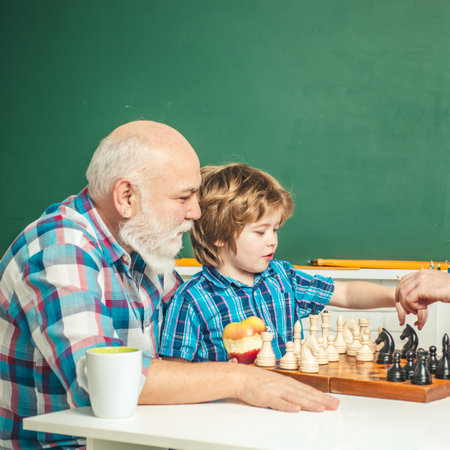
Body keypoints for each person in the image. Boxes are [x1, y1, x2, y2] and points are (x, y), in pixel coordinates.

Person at [0, 121, 339, 450]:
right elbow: (105, 382)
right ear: (127, 197)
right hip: (65, 444)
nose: (195, 212)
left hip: (130, 436)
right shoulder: (61, 250)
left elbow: (202, 309)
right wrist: (241, 379)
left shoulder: (142, 245)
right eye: (183, 197)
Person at [159, 163, 425, 363]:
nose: (272, 241)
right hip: (228, 415)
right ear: (219, 235)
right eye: (260, 232)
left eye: (275, 230)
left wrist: (397, 296)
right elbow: (176, 371)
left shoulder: (283, 278)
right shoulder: (190, 300)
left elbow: (346, 292)